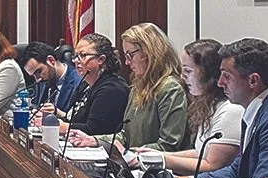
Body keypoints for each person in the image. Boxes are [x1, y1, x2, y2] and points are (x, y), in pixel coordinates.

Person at [182, 38, 268, 178]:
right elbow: (236, 170)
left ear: (253, 80)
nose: (220, 83)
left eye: (226, 76)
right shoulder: (256, 111)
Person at [69, 23, 189, 152]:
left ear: (150, 52)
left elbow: (169, 145)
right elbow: (125, 136)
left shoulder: (170, 88)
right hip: (134, 163)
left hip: (157, 167)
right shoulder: (138, 86)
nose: (127, 62)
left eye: (130, 55)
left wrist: (129, 153)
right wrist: (94, 140)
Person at [134, 39, 244, 175]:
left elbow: (212, 164)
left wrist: (162, 159)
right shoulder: (208, 105)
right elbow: (200, 153)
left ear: (208, 73)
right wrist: (158, 154)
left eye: (188, 71)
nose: (182, 77)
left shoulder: (231, 111)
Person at [32, 34, 129, 135]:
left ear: (101, 59)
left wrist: (58, 126)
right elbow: (73, 118)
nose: (76, 61)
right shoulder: (85, 85)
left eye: (82, 55)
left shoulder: (111, 89)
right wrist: (51, 117)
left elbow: (94, 130)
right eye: (75, 56)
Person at [18, 41, 83, 112]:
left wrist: (57, 113)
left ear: (51, 61)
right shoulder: (43, 81)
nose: (37, 79)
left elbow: (79, 120)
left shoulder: (80, 82)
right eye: (33, 75)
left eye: (38, 71)